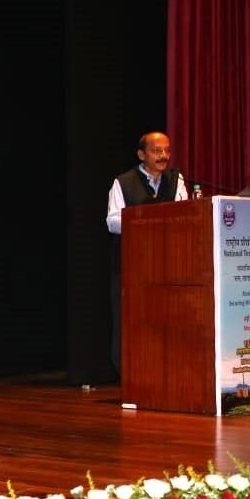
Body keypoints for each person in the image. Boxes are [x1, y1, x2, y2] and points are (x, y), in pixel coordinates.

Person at [105, 131, 187, 375]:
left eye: (167, 151)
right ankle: (131, 374)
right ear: (142, 155)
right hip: (132, 266)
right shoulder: (123, 182)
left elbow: (186, 212)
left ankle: (166, 372)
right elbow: (112, 222)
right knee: (131, 321)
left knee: (166, 320)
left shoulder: (176, 180)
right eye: (156, 151)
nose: (164, 156)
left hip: (167, 263)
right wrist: (148, 220)